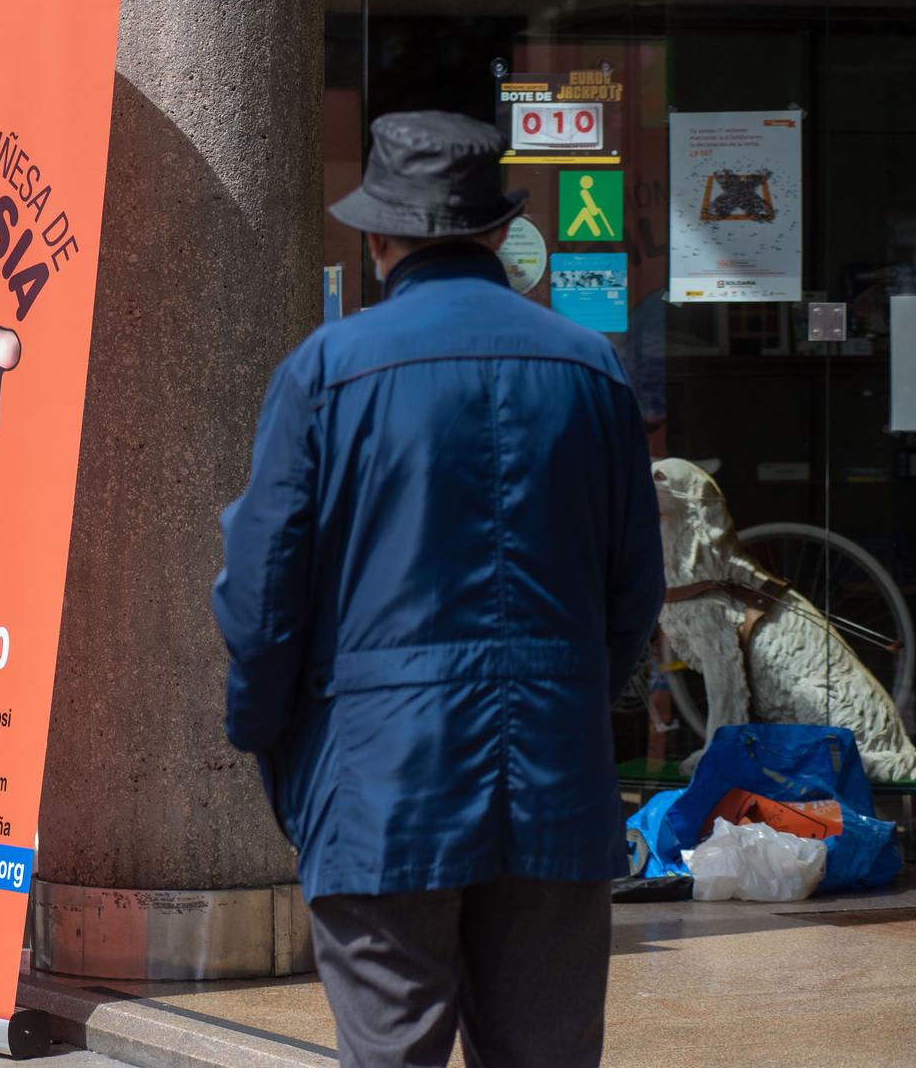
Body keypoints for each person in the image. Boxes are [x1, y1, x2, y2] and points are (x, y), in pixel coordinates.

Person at [211, 111, 664, 1068]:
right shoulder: (591, 371)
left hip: (382, 782)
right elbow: (634, 596)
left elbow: (261, 601)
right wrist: (567, 698)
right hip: (554, 781)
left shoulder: (327, 371)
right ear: (500, 234)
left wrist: (274, 741)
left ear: (377, 240)